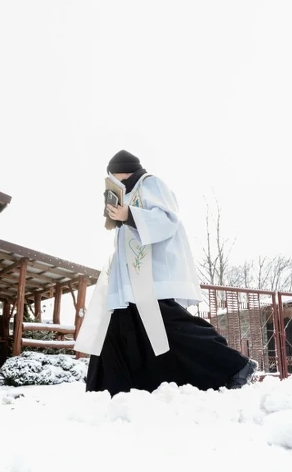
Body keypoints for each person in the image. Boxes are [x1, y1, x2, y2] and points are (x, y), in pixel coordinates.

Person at [74, 149, 258, 396]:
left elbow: (167, 220)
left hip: (152, 278)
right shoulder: (127, 193)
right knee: (118, 329)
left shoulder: (150, 184)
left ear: (121, 172)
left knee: (171, 329)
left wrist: (128, 215)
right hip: (127, 282)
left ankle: (237, 366)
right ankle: (109, 390)